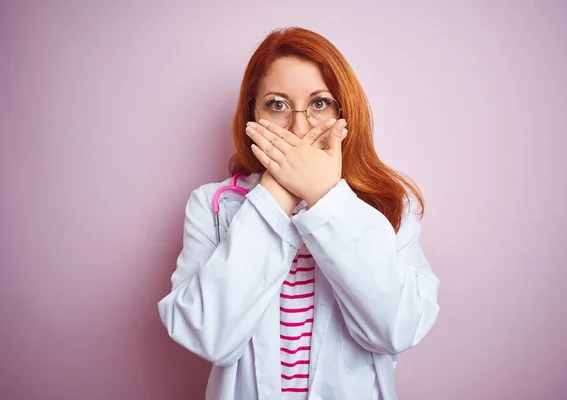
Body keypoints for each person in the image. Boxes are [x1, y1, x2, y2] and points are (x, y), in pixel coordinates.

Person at [158, 26, 440, 400]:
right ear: (252, 115)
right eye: (277, 104)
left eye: (320, 103)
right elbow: (207, 335)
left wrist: (325, 198)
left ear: (344, 111)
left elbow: (396, 331)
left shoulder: (388, 204)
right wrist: (275, 193)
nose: (299, 126)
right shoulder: (211, 206)